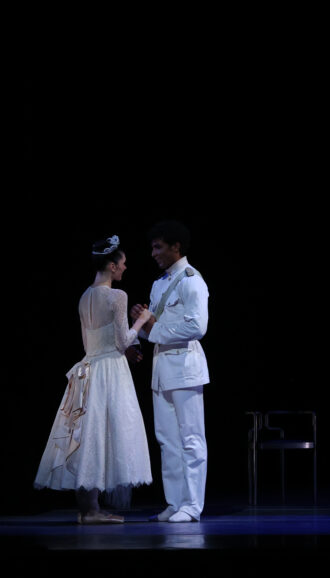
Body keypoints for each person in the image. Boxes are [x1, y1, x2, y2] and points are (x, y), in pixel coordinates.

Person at [34, 236, 153, 523]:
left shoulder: (85, 296)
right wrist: (143, 319)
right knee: (104, 432)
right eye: (122, 265)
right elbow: (123, 341)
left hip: (88, 367)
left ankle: (89, 508)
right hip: (109, 370)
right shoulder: (117, 296)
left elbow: (92, 340)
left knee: (89, 434)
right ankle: (91, 510)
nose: (125, 269)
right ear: (112, 266)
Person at [131, 220, 210, 522]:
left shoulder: (192, 280)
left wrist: (153, 327)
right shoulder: (159, 283)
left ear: (176, 246)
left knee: (191, 439)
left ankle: (192, 506)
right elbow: (152, 329)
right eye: (152, 247)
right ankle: (175, 503)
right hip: (161, 368)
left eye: (158, 247)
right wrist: (139, 323)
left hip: (186, 368)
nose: (153, 253)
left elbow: (197, 326)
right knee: (167, 439)